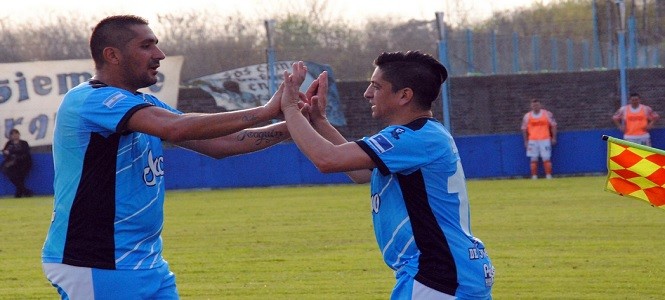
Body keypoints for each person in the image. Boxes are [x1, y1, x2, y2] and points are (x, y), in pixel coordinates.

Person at [41, 15, 291, 299]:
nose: (159, 55)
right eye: (146, 46)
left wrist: (293, 125)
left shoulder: (144, 103)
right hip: (95, 261)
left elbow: (221, 143)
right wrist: (265, 111)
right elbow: (175, 128)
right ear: (112, 55)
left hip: (146, 262)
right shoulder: (90, 100)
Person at [280, 52, 494, 299]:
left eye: (376, 86)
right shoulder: (425, 134)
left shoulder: (414, 137)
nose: (367, 93)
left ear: (404, 95)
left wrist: (289, 108)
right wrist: (319, 121)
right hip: (452, 272)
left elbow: (327, 159)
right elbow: (359, 172)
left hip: (435, 277)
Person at [520, 98, 557, 179]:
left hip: (545, 139)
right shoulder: (527, 116)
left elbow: (553, 125)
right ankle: (534, 176)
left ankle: (548, 175)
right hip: (533, 140)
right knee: (533, 159)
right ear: (531, 106)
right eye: (533, 105)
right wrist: (526, 141)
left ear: (540, 105)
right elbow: (524, 129)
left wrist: (554, 137)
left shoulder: (547, 114)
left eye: (537, 105)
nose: (535, 107)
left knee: (546, 158)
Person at [2, 129, 33, 198]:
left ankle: (19, 194)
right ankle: (25, 191)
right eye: (13, 134)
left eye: (16, 134)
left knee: (21, 178)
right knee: (13, 176)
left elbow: (25, 153)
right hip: (13, 165)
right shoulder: (9, 143)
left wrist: (11, 152)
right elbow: (5, 153)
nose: (15, 136)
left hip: (24, 164)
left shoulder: (24, 143)